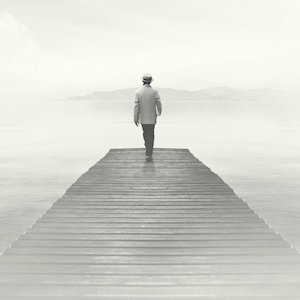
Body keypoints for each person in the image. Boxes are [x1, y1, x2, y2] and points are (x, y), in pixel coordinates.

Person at [134, 73, 162, 162]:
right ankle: (149, 151)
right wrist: (159, 112)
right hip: (152, 116)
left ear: (143, 81)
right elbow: (158, 103)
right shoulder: (155, 92)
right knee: (151, 133)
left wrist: (135, 117)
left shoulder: (138, 92)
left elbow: (136, 106)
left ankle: (147, 149)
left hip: (143, 117)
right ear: (150, 81)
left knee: (145, 132)